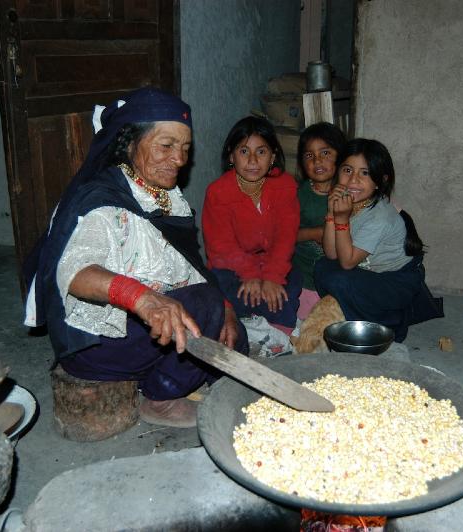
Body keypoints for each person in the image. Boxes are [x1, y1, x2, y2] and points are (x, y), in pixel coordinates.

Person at [23, 87, 248, 429]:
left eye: (185, 148)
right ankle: (161, 397)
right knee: (204, 304)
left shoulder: (165, 194)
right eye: (166, 145)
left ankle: (171, 369)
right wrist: (142, 298)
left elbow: (190, 264)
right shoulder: (104, 200)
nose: (180, 159)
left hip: (143, 331)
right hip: (97, 344)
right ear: (130, 144)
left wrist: (226, 310)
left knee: (231, 325)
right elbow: (75, 271)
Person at [315, 138, 443, 342]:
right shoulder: (348, 202)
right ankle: (353, 315)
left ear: (381, 181)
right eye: (347, 170)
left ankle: (390, 323)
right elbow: (331, 254)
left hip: (396, 281)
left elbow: (347, 263)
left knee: (340, 279)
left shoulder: (380, 216)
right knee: (322, 267)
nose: (353, 180)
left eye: (364, 173)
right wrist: (331, 213)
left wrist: (340, 219)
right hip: (368, 274)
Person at [202, 116, 301, 335]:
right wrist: (251, 275)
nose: (253, 160)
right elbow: (221, 246)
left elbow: (286, 238)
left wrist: (272, 278)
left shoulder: (285, 186)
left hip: (274, 260)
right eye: (244, 151)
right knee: (220, 289)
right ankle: (247, 327)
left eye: (261, 152)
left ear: (273, 156)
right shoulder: (218, 192)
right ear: (231, 155)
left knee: (286, 290)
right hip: (232, 265)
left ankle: (278, 339)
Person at [293, 122, 346, 319]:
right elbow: (284, 235)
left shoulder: (348, 192)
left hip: (341, 274)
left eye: (325, 153)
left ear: (340, 156)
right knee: (310, 324)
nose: (317, 161)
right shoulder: (299, 196)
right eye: (309, 155)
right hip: (306, 277)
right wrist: (316, 233)